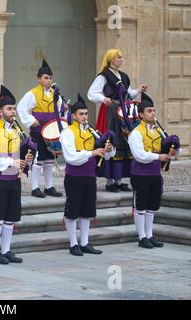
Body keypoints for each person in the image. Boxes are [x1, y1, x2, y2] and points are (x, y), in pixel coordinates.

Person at [59, 94, 115, 256]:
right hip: (74, 177)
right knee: (73, 210)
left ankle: (85, 243)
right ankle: (73, 244)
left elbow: (107, 155)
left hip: (90, 175)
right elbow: (71, 157)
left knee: (87, 211)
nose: (84, 117)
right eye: (81, 114)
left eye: (86, 114)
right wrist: (92, 152)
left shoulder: (94, 132)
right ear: (74, 116)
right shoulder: (68, 132)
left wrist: (109, 150)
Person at [0, 85, 33, 265]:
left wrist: (27, 158)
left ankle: (6, 250)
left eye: (14, 109)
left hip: (14, 179)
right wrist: (12, 162)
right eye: (9, 109)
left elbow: (20, 155)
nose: (13, 112)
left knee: (11, 217)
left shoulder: (17, 132)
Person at [87, 49, 148, 193]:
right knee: (111, 142)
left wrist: (138, 90)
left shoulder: (124, 76)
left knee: (123, 143)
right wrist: (103, 99)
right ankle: (109, 182)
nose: (122, 60)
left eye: (121, 57)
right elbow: (92, 93)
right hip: (110, 111)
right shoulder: (104, 76)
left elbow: (127, 94)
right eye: (119, 57)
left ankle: (119, 180)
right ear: (111, 59)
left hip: (123, 111)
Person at [128, 93, 179, 249]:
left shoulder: (158, 132)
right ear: (141, 115)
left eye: (153, 111)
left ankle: (150, 235)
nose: (153, 114)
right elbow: (140, 155)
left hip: (155, 174)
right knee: (140, 206)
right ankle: (142, 236)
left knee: (152, 206)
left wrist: (173, 152)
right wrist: (160, 156)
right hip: (140, 174)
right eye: (149, 111)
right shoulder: (135, 133)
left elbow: (172, 150)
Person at [17, 59, 63, 199]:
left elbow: (59, 110)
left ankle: (49, 186)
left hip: (51, 131)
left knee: (49, 158)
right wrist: (32, 121)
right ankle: (35, 187)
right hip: (38, 130)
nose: (49, 80)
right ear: (39, 79)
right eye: (45, 78)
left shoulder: (56, 94)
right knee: (38, 158)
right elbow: (21, 108)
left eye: (50, 78)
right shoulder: (33, 93)